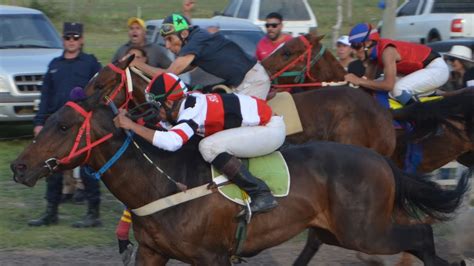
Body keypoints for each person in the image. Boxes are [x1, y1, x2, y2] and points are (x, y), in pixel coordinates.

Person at [114, 72, 286, 214]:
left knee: (208, 146)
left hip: (269, 130)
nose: (156, 112)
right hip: (263, 123)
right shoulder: (187, 100)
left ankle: (261, 193)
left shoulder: (192, 110)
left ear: (168, 102)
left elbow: (172, 142)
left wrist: (132, 126)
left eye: (156, 106)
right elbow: (164, 128)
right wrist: (133, 121)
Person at [30, 22, 102, 228]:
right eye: (68, 37)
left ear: (82, 40)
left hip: (81, 126)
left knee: (87, 168)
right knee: (51, 168)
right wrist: (39, 122)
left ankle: (93, 214)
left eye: (75, 37)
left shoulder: (90, 63)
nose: (72, 41)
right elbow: (45, 96)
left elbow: (100, 91)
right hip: (57, 128)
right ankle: (50, 213)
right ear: (63, 39)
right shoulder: (54, 65)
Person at [131, 13, 271, 100]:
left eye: (170, 39)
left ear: (184, 34)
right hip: (243, 82)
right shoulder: (196, 40)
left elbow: (169, 74)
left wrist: (137, 63)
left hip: (252, 81)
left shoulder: (196, 40)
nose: (167, 45)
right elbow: (174, 73)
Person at [344, 23, 450, 105]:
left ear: (368, 43)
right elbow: (368, 81)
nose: (353, 51)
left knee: (398, 89)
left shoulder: (387, 52)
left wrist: (358, 80)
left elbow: (388, 85)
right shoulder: (374, 55)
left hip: (436, 68)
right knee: (377, 83)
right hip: (422, 70)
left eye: (356, 46)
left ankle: (423, 119)